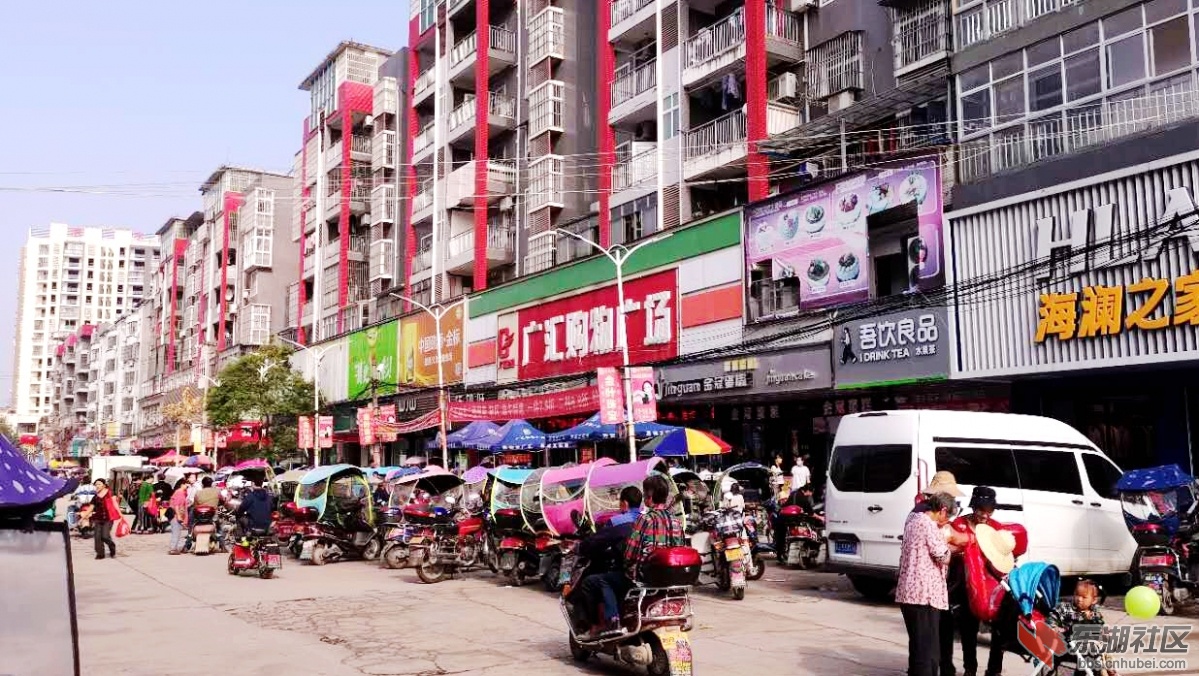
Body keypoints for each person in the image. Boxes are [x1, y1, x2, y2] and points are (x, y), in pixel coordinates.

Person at [896, 492, 969, 676]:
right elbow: (943, 556)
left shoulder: (913, 519)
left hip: (908, 593)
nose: (947, 521)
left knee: (918, 648)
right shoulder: (929, 526)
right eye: (948, 516)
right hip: (923, 595)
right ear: (943, 510)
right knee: (928, 655)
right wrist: (952, 547)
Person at [943, 486, 1005, 676]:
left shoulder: (997, 528)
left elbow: (1006, 555)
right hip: (964, 584)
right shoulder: (959, 524)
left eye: (989, 511)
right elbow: (946, 548)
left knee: (1000, 627)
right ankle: (970, 668)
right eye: (980, 510)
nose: (985, 515)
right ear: (973, 507)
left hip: (992, 585)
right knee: (967, 628)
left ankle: (994, 669)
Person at [576, 486, 644, 637]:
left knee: (592, 582)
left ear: (624, 503)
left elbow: (597, 541)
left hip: (628, 573)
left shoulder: (617, 522)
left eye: (620, 502)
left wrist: (580, 547)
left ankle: (603, 623)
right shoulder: (646, 520)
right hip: (646, 574)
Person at [1050, 579, 1115, 676]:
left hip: (1091, 643)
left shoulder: (1095, 613)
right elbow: (1053, 618)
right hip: (1070, 643)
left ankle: (1107, 667)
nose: (1079, 599)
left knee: (1104, 643)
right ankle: (1103, 670)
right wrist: (1056, 628)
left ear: (1093, 600)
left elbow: (1101, 626)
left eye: (1084, 597)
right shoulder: (1066, 608)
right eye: (1077, 594)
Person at [90, 479, 121, 560]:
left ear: (104, 485)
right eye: (96, 484)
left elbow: (115, 504)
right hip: (98, 518)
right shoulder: (95, 497)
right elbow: (91, 508)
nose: (97, 486)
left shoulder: (110, 493)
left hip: (108, 518)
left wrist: (121, 515)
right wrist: (83, 517)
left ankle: (112, 546)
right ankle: (100, 554)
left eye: (99, 484)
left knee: (105, 536)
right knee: (97, 537)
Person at [168, 479, 190, 554]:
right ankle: (173, 549)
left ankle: (179, 547)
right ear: (182, 484)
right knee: (176, 532)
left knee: (178, 532)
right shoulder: (179, 493)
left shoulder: (180, 493)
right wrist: (179, 516)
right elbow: (177, 506)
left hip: (177, 515)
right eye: (186, 484)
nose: (187, 485)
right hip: (176, 515)